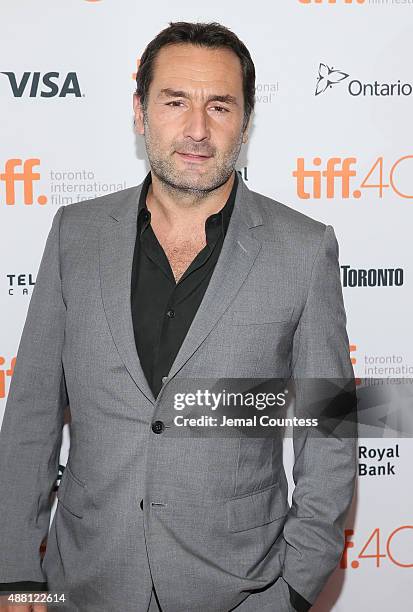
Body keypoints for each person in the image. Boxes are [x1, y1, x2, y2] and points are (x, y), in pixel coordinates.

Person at [0, 21, 357, 612]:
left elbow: (331, 426)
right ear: (140, 112)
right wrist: (15, 573)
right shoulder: (75, 234)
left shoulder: (304, 248)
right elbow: (33, 412)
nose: (197, 129)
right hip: (85, 582)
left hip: (242, 589)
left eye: (220, 106)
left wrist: (293, 588)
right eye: (175, 102)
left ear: (245, 121)